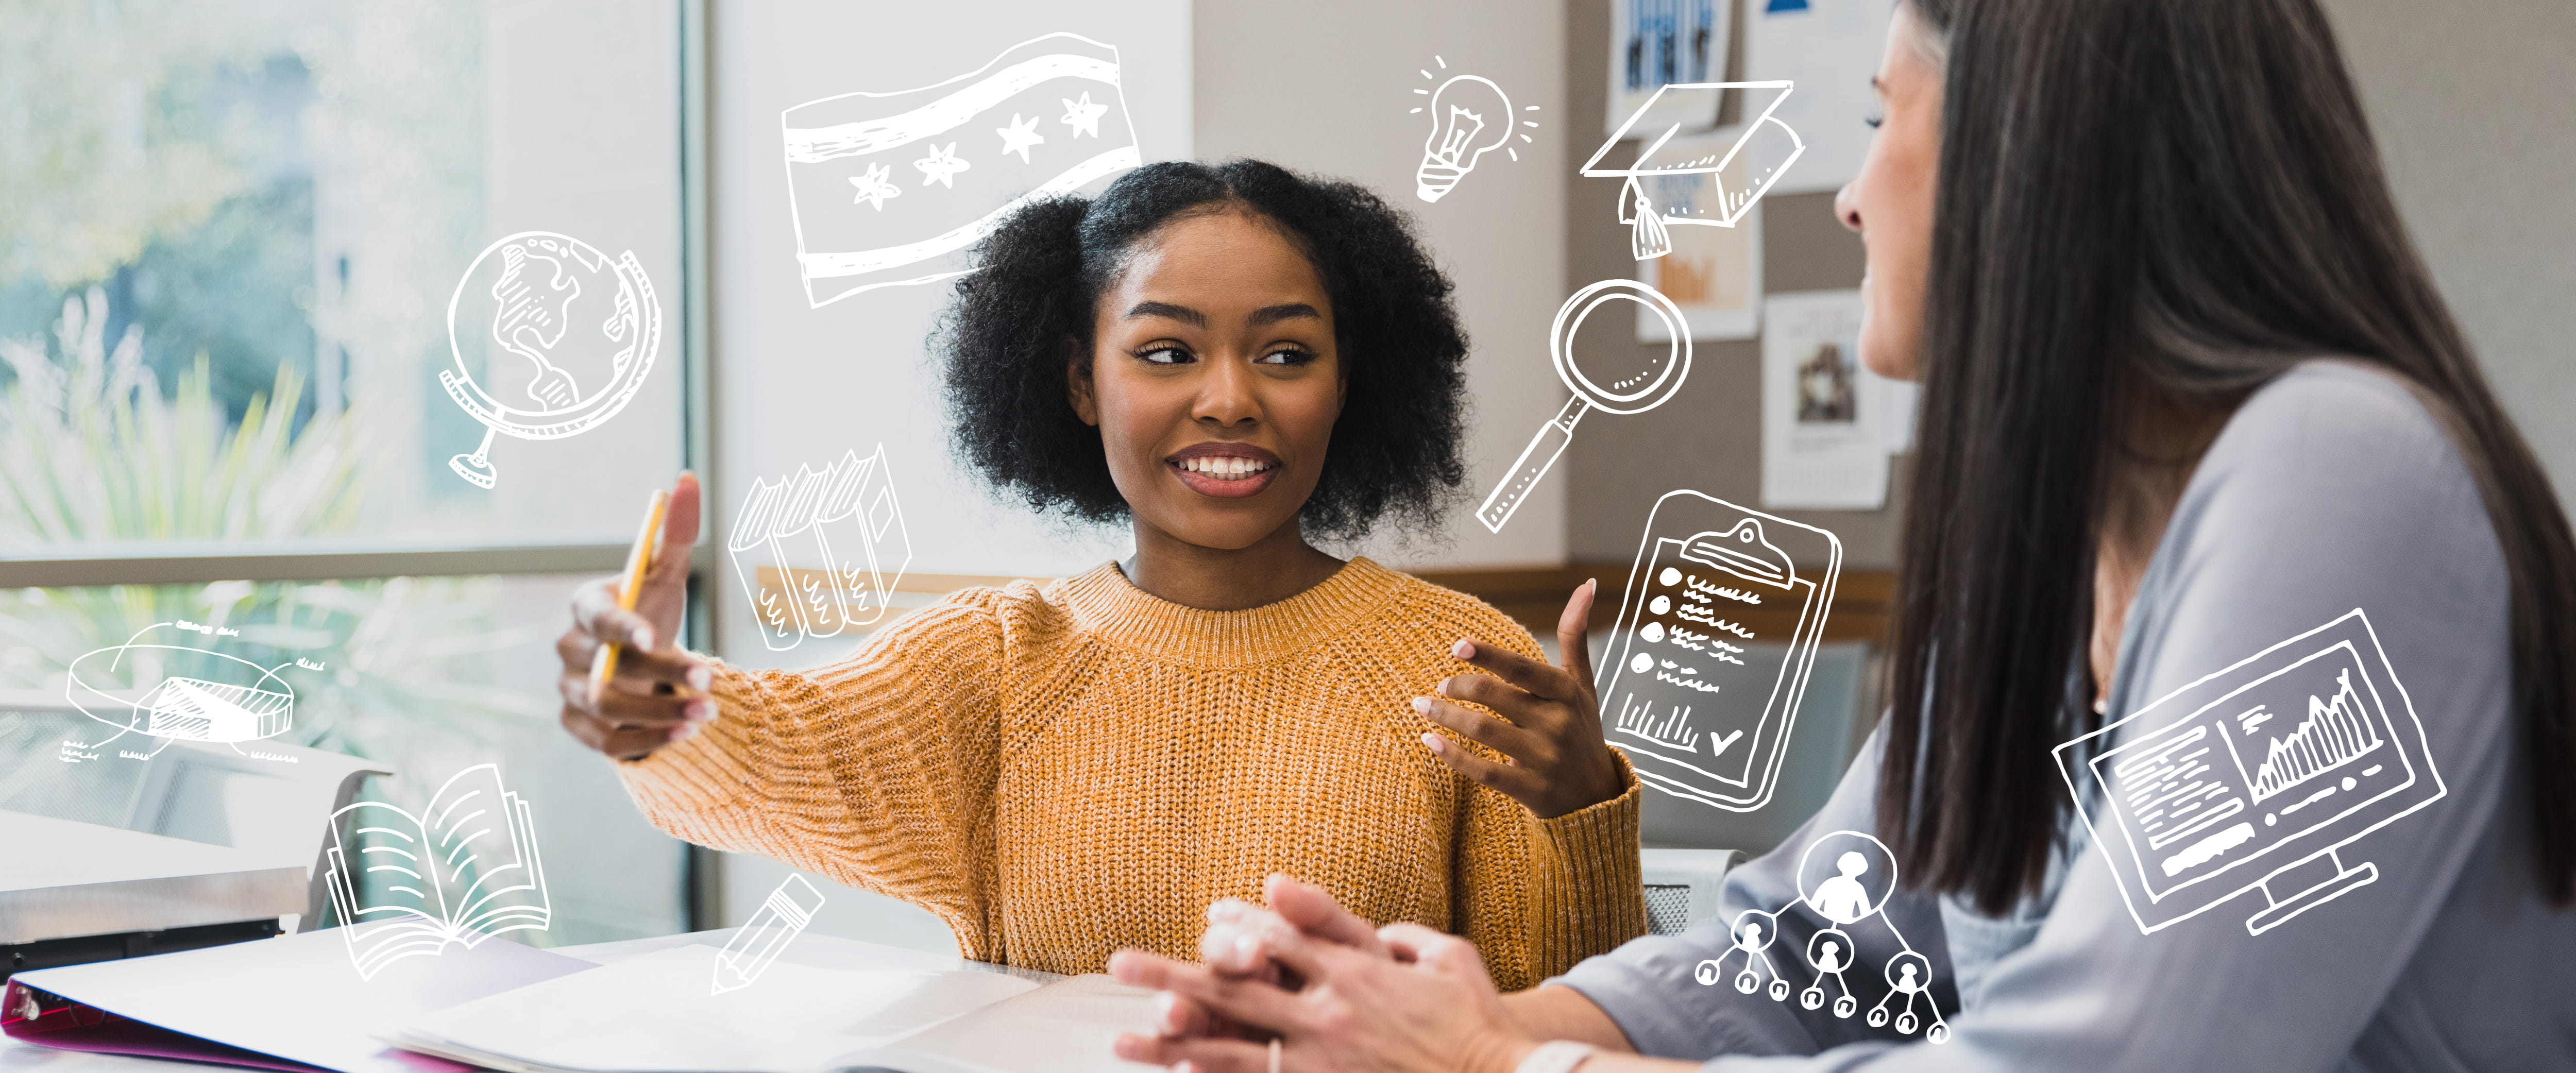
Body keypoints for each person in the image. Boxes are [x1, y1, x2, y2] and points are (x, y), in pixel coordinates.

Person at [1105, 0, 2576, 1068]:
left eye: (1882, 123)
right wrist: (1436, 1011)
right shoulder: (2050, 567)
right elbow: (1820, 951)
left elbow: (2110, 1062)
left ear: (2024, 158)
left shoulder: (2345, 469)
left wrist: (1502, 1067)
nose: (1852, 197)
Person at [549, 160, 1648, 983]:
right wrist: (655, 706)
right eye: (1166, 351)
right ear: (1081, 383)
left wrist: (1583, 810)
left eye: (1285, 352)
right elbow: (780, 746)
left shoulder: (1462, 663)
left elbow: (1559, 1029)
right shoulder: (996, 661)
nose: (1229, 398)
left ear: (1350, 383)